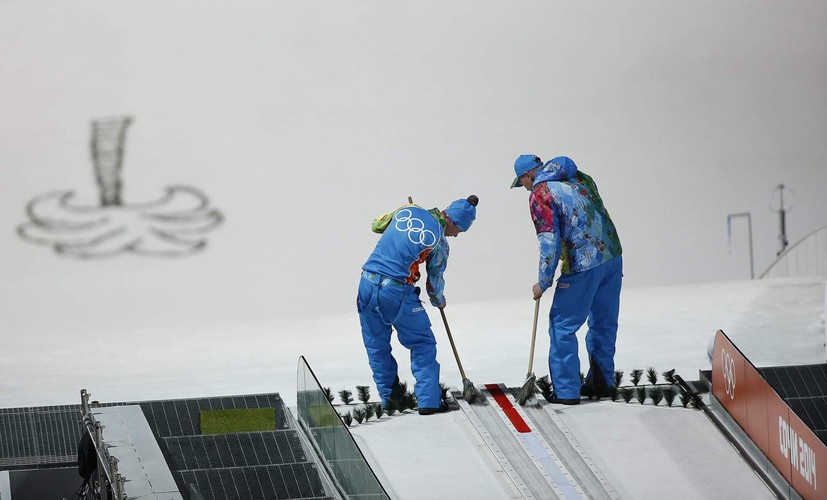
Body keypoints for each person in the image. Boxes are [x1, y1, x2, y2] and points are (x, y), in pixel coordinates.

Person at [511, 154, 622, 405]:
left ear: (527, 175)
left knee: (562, 325)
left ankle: (566, 391)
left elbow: (549, 241)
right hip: (613, 256)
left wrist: (543, 281)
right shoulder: (581, 178)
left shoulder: (541, 193)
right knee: (603, 323)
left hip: (583, 263)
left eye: (522, 182)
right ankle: (602, 383)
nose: (525, 188)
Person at [358, 195, 478, 415]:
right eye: (459, 230)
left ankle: (390, 399)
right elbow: (434, 282)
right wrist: (439, 300)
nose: (456, 235)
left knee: (376, 345)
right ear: (452, 222)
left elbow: (376, 225)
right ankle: (429, 401)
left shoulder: (407, 210)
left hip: (366, 282)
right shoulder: (439, 241)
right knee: (422, 342)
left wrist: (405, 211)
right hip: (396, 290)